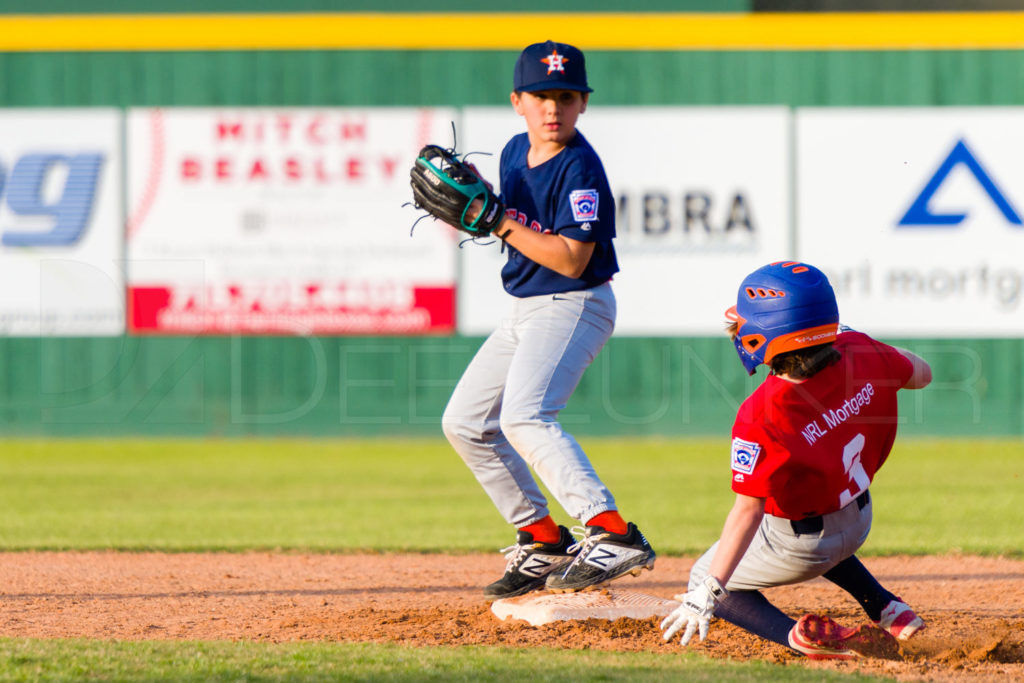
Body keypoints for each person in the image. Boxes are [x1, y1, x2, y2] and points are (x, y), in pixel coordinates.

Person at [440, 40, 655, 600]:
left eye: (565, 96)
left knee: (527, 417)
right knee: (465, 422)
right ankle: (540, 539)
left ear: (583, 103)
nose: (552, 108)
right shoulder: (515, 152)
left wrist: (497, 223)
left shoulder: (580, 167)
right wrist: (483, 209)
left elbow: (570, 257)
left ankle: (611, 532)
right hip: (526, 308)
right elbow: (506, 221)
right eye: (540, 96)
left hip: (575, 301)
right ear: (518, 101)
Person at [660, 261, 931, 659]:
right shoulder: (862, 350)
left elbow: (748, 511)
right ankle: (887, 607)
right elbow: (922, 374)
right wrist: (867, 345)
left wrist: (710, 591)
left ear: (762, 337)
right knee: (800, 509)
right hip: (859, 520)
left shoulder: (761, 414)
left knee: (704, 574)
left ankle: (799, 638)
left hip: (804, 546)